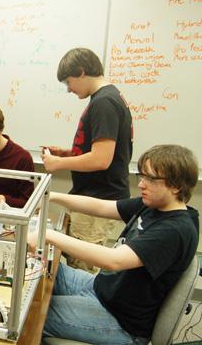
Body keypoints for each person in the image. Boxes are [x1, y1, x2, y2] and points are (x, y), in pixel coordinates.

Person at [30, 144, 198, 343]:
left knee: (30, 316)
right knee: (43, 270)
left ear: (176, 185)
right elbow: (102, 206)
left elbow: (113, 261)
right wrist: (53, 196)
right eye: (141, 176)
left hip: (121, 321)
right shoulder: (154, 205)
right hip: (103, 288)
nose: (142, 184)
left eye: (151, 179)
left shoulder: (175, 230)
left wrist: (49, 235)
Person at [42, 47, 133, 272]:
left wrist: (58, 164)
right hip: (94, 197)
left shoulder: (104, 102)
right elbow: (100, 151)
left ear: (81, 72)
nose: (69, 89)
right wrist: (67, 153)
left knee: (81, 271)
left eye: (68, 82)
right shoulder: (107, 98)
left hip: (99, 200)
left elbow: (101, 159)